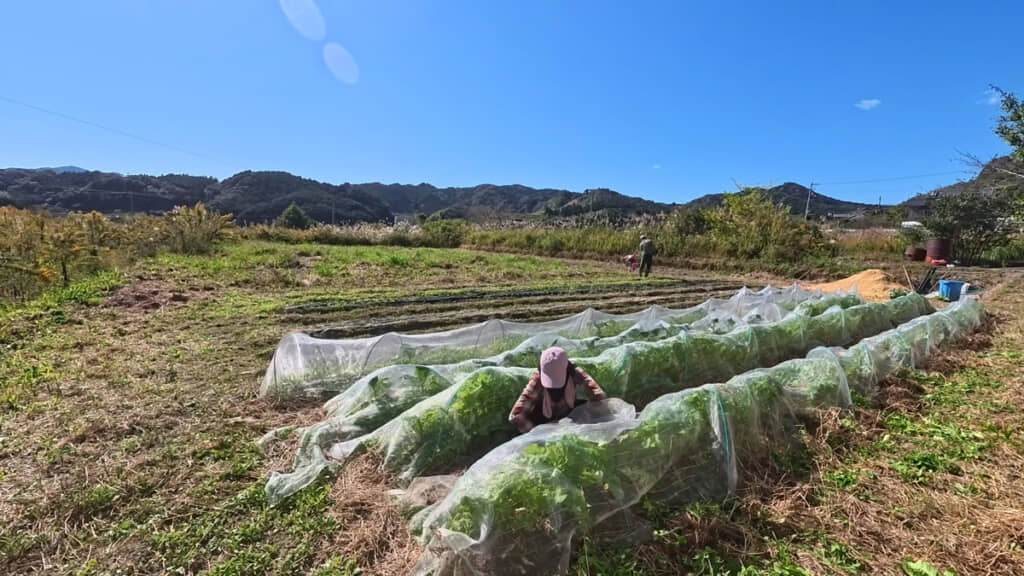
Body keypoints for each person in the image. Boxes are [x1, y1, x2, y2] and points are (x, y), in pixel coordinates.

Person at [508, 346, 607, 434]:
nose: (553, 388)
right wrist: (537, 434)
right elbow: (516, 415)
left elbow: (599, 395)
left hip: (568, 415)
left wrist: (596, 420)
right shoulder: (537, 381)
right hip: (544, 419)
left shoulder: (573, 372)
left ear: (566, 369)